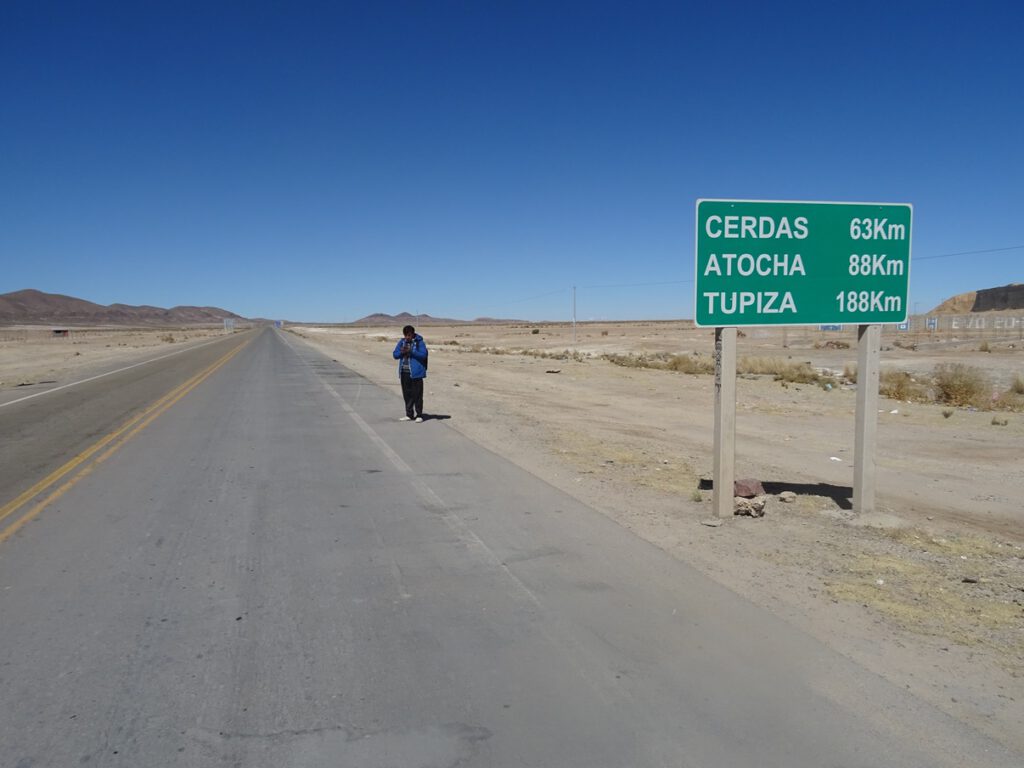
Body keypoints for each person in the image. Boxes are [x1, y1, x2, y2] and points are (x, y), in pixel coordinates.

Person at [392, 325, 428, 422]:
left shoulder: (419, 342)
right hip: (404, 372)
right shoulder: (402, 342)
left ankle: (419, 415)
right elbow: (395, 355)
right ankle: (409, 414)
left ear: (413, 334)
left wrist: (411, 351)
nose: (407, 337)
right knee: (407, 394)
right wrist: (401, 352)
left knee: (417, 395)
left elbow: (423, 355)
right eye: (405, 335)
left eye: (409, 335)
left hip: (416, 373)